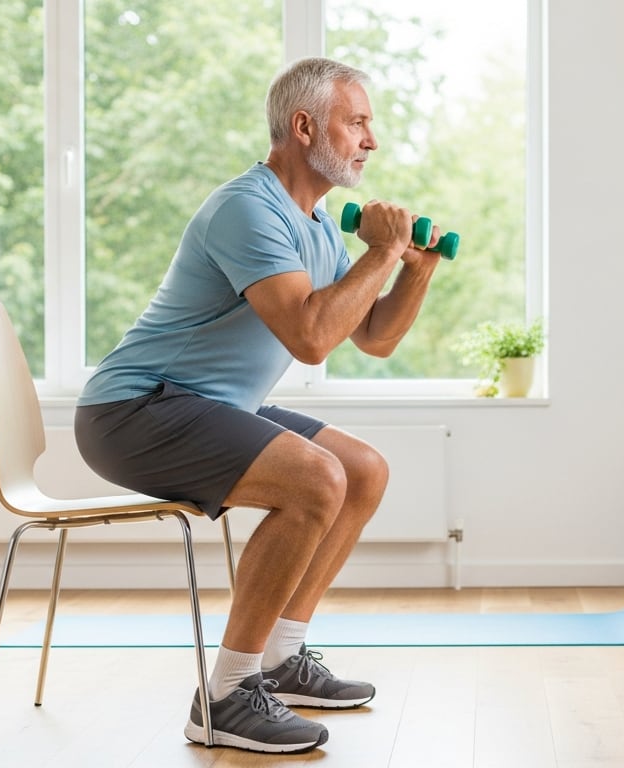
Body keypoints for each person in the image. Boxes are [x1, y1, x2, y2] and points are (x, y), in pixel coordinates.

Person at [73, 56, 445, 754]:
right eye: (356, 121)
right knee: (316, 478)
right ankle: (225, 695)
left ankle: (281, 657)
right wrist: (384, 249)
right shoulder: (248, 208)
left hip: (210, 404)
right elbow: (309, 337)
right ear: (304, 128)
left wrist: (409, 269)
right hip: (133, 410)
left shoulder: (319, 224)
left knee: (361, 469)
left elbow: (373, 338)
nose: (371, 140)